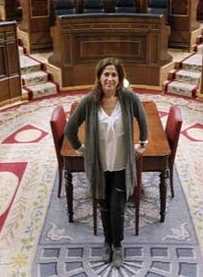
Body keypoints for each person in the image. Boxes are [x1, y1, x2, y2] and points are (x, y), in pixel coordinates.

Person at [65, 57, 148, 268]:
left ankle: (117, 245)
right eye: (106, 74)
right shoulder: (90, 101)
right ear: (99, 77)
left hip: (121, 164)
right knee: (103, 205)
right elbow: (69, 129)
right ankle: (107, 242)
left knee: (117, 206)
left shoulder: (128, 98)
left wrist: (143, 142)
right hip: (100, 166)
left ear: (120, 78)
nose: (110, 78)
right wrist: (82, 150)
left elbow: (142, 117)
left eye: (114, 74)